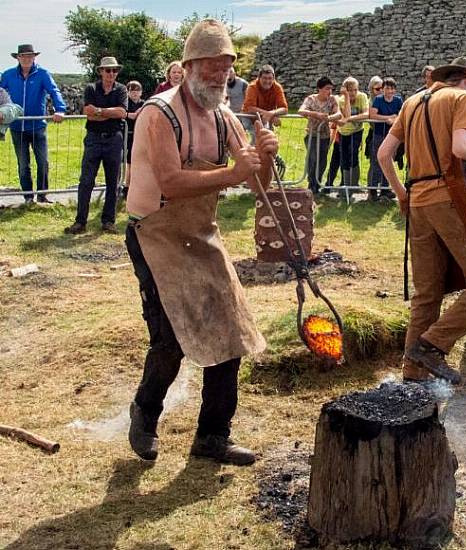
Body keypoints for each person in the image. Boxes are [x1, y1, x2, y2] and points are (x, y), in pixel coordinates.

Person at [125, 19, 279, 466]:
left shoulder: (224, 115)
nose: (220, 76)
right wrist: (232, 173)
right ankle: (145, 413)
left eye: (226, 68)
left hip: (200, 234)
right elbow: (171, 181)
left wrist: (264, 157)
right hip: (154, 233)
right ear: (190, 65)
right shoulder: (159, 112)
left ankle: (212, 438)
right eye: (212, 67)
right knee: (171, 338)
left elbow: (256, 185)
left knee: (230, 335)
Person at [376, 56, 466, 383]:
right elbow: (462, 148)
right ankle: (432, 344)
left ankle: (413, 375)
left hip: (418, 202)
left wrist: (401, 193)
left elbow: (384, 154)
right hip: (448, 196)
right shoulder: (461, 97)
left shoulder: (411, 102)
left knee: (427, 294)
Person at [64, 56, 128, 234]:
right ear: (100, 71)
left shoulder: (121, 89)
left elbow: (122, 112)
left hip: (114, 139)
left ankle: (108, 221)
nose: (111, 74)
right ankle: (80, 221)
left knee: (112, 182)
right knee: (86, 181)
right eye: (108, 70)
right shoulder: (91, 88)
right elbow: (88, 113)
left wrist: (99, 111)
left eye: (114, 70)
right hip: (93, 138)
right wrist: (109, 112)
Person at [0, 44, 67, 203]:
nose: (26, 59)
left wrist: (60, 109)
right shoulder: (8, 75)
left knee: (43, 162)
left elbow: (54, 90)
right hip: (17, 127)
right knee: (23, 165)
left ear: (34, 57)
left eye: (30, 56)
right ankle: (28, 198)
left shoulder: (42, 74)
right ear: (18, 58)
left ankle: (42, 196)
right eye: (23, 56)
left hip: (38, 126)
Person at [298, 76, 341, 195]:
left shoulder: (332, 100)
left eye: (331, 89)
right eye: (327, 89)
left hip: (325, 136)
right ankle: (311, 184)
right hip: (312, 134)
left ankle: (317, 183)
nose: (329, 91)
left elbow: (338, 114)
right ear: (319, 89)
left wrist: (328, 118)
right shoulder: (311, 99)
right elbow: (301, 111)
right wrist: (315, 114)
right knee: (313, 158)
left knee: (322, 161)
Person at [368, 77, 403, 200]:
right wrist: (387, 118)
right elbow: (372, 115)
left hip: (392, 135)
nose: (390, 91)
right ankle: (372, 190)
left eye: (392, 88)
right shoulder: (378, 99)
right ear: (383, 89)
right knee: (376, 161)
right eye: (387, 88)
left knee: (389, 161)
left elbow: (401, 115)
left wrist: (395, 120)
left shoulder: (398, 100)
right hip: (378, 134)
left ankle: (385, 188)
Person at [334, 76, 369, 189]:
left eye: (355, 89)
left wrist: (349, 119)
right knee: (344, 157)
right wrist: (347, 97)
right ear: (345, 90)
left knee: (353, 154)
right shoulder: (340, 100)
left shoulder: (362, 96)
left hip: (356, 131)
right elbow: (346, 114)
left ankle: (354, 184)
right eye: (350, 90)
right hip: (343, 132)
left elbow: (366, 114)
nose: (353, 92)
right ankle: (345, 184)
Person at [243, 64, 288, 130]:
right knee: (257, 136)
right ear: (259, 78)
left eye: (270, 78)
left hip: (266, 118)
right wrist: (270, 115)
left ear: (274, 79)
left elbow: (284, 109)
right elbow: (250, 108)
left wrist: (271, 113)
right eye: (264, 78)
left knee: (269, 138)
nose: (267, 81)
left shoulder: (277, 87)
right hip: (249, 117)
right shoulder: (252, 87)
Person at [123, 80, 145, 191]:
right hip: (126, 135)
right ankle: (126, 185)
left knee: (136, 161)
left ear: (141, 92)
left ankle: (135, 185)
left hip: (140, 136)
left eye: (137, 90)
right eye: (132, 91)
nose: (135, 93)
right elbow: (122, 114)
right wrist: (129, 115)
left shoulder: (144, 104)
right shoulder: (125, 103)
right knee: (127, 162)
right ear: (127, 92)